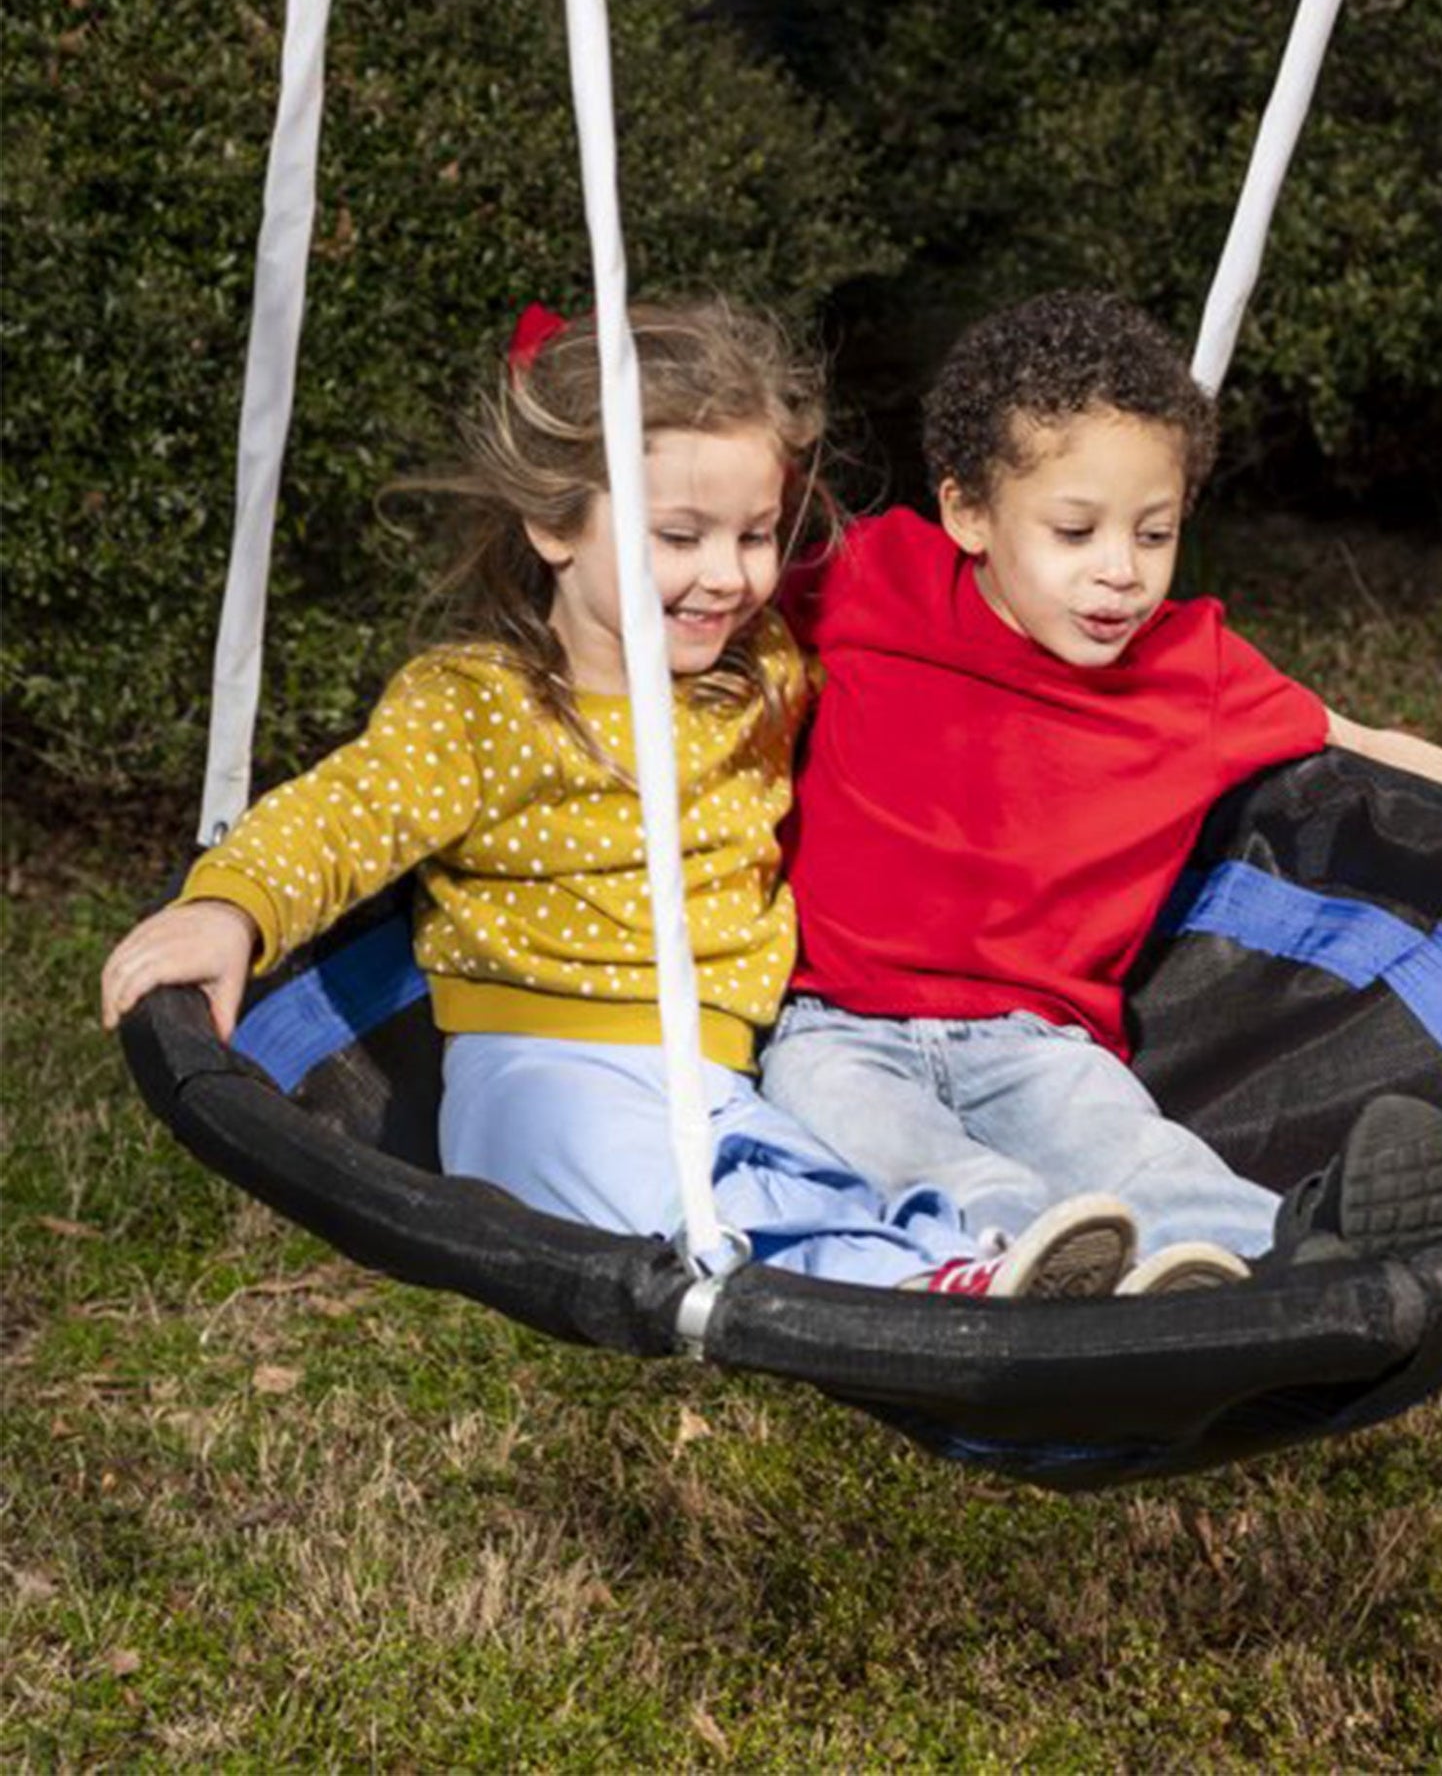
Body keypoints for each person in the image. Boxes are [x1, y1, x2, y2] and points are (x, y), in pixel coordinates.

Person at [99, 298, 1142, 1299]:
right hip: (541, 1071)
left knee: (793, 1177)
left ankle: (962, 1270)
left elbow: (906, 692)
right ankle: (915, 1293)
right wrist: (229, 906)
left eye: (754, 535)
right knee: (675, 1198)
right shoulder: (484, 705)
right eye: (679, 536)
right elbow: (342, 814)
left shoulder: (759, 677)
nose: (726, 576)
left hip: (721, 1074)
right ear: (555, 525)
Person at [761, 290, 1442, 1288]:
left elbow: (1354, 737)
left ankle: (1299, 1257)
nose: (1119, 572)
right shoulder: (871, 579)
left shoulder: (1187, 669)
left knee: (1141, 1158)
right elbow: (700, 566)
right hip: (836, 1024)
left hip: (1040, 1040)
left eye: (1153, 535)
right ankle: (1015, 1271)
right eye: (1075, 531)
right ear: (968, 513)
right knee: (897, 1152)